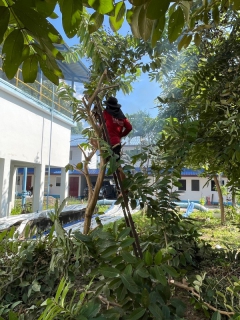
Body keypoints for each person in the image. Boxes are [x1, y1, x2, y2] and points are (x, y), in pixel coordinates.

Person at [103, 96, 132, 183]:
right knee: (117, 165)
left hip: (106, 143)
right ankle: (124, 187)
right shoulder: (122, 116)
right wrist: (121, 135)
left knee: (112, 166)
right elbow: (129, 127)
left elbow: (100, 125)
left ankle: (125, 186)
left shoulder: (105, 113)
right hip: (116, 143)